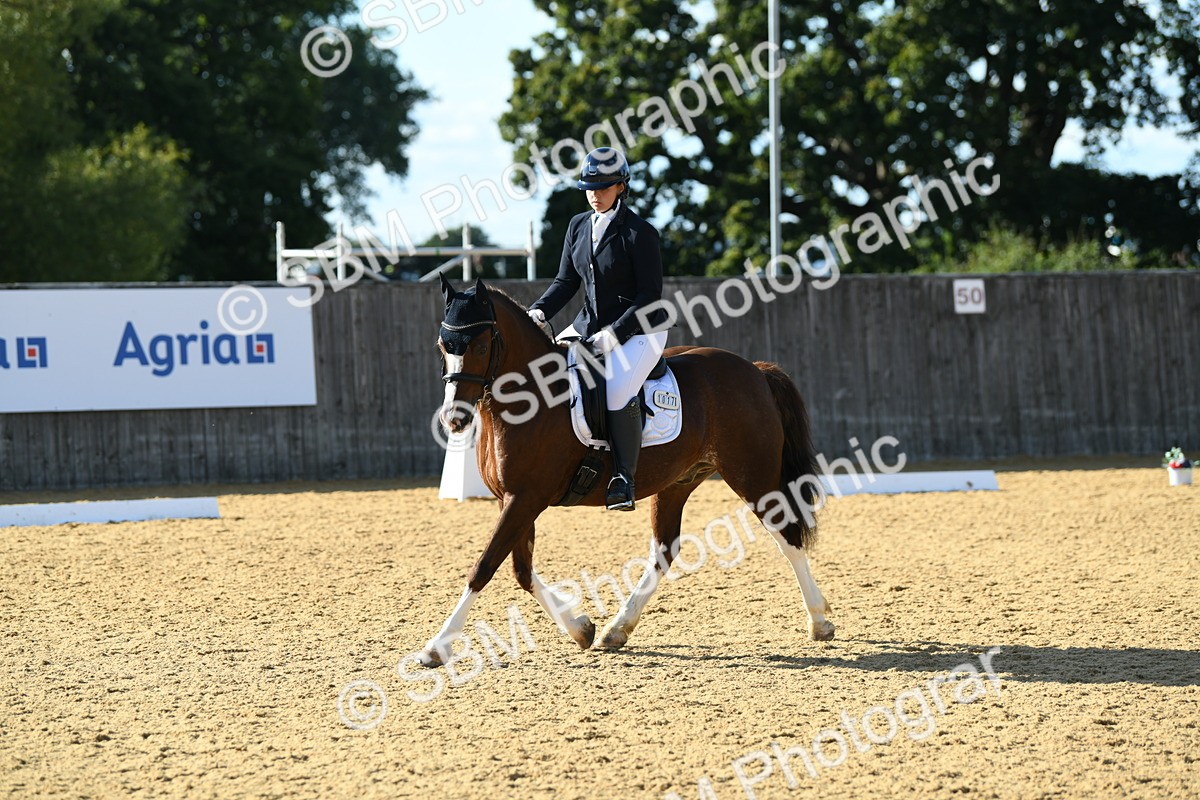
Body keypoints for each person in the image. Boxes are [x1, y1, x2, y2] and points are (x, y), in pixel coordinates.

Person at [527, 147, 668, 511]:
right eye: (589, 187)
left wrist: (615, 334)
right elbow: (565, 281)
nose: (594, 194)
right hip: (588, 327)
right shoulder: (578, 226)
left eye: (603, 187)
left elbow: (649, 296)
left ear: (621, 186)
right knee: (545, 372)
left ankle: (623, 479)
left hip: (641, 330)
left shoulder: (640, 233)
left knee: (617, 391)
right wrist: (539, 311)